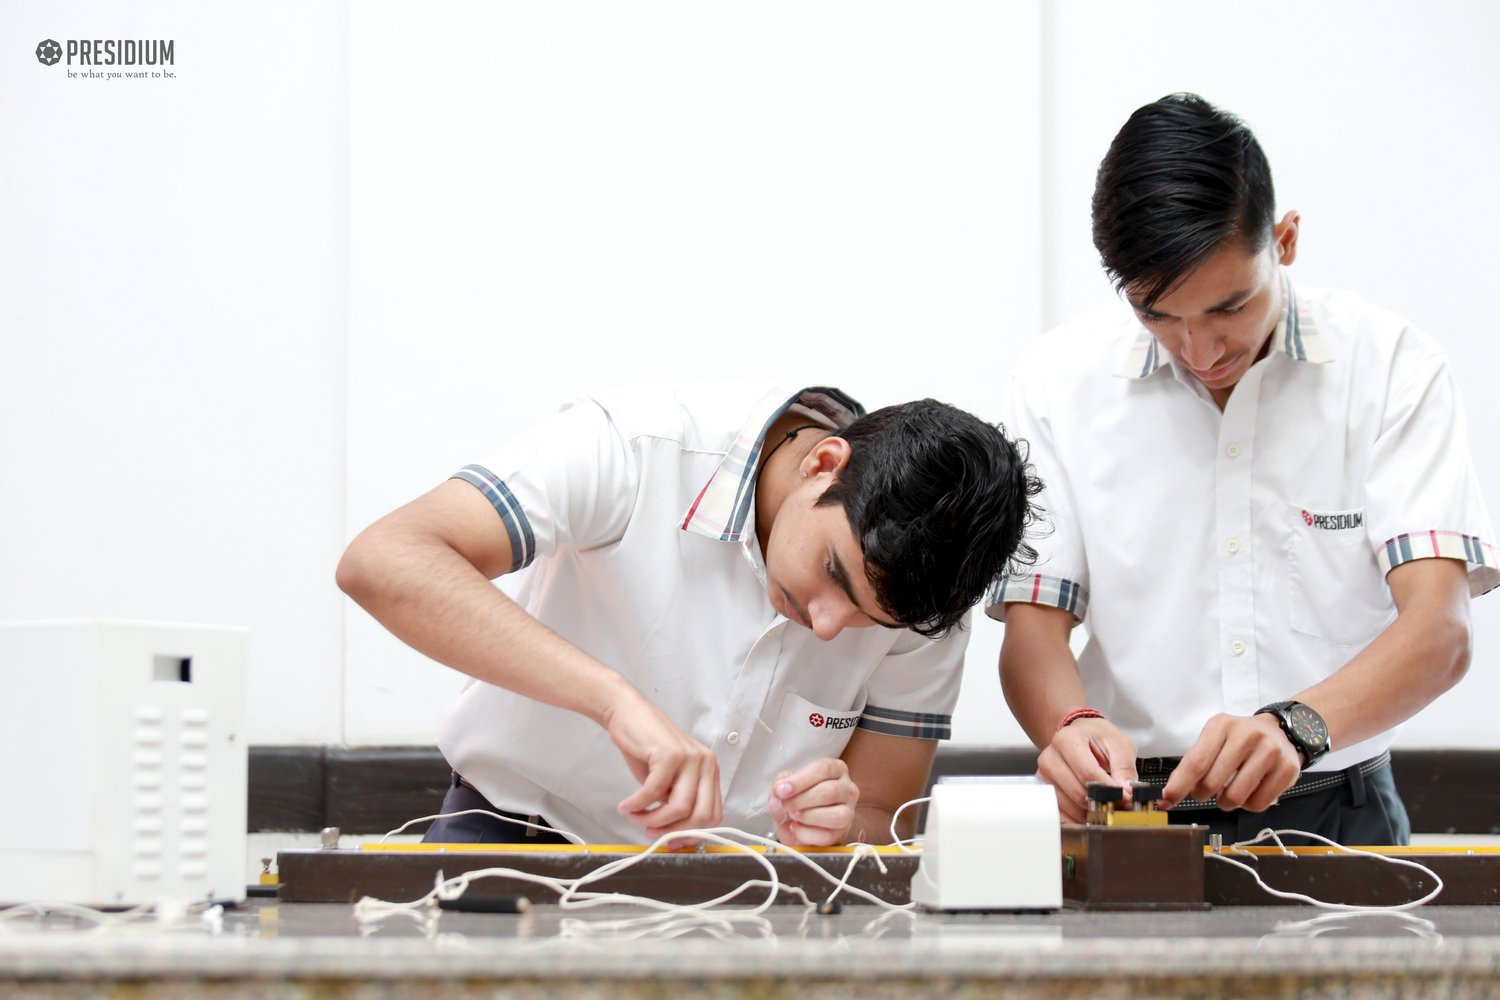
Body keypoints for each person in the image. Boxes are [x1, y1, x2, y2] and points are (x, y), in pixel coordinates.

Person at [990, 93, 1497, 845]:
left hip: (1337, 803)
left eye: (1228, 307)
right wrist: (1071, 724)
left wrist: (1299, 727)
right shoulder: (1056, 383)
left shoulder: (1392, 366)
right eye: (1157, 314)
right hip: (1132, 813)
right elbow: (1032, 630)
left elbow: (1441, 628)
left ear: (1284, 241)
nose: (1199, 351)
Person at [338, 379, 1041, 846]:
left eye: (866, 622)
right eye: (833, 574)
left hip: (750, 894)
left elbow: (880, 813)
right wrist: (612, 700)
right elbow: (384, 560)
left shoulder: (927, 608)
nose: (828, 626)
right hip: (510, 846)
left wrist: (842, 822)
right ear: (824, 462)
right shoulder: (637, 454)